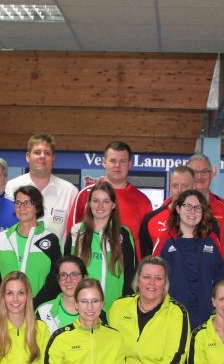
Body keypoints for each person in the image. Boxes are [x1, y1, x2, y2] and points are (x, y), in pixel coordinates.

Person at [154, 189, 224, 327]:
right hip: (171, 317)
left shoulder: (211, 240)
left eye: (197, 208)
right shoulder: (165, 240)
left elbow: (222, 276)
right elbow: (152, 276)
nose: (192, 211)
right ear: (178, 209)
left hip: (205, 315)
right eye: (187, 206)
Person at [66, 181, 137, 310]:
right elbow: (66, 273)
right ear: (89, 204)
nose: (100, 206)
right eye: (95, 201)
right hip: (82, 309)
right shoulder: (76, 232)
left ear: (113, 205)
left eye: (106, 201)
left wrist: (124, 308)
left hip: (113, 309)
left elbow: (131, 275)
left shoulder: (123, 234)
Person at [65, 141, 153, 245]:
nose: (117, 165)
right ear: (104, 162)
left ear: (130, 164)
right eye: (112, 161)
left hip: (128, 256)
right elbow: (71, 235)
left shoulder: (143, 201)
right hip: (88, 255)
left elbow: (147, 243)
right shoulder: (86, 194)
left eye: (122, 161)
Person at [0, 185, 62, 308]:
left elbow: (55, 280)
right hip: (6, 309)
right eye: (18, 203)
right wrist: (3, 303)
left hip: (38, 311)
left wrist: (34, 305)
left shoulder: (50, 240)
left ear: (37, 207)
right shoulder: (3, 238)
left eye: (27, 203)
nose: (22, 207)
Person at [4, 134, 77, 241]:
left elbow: (75, 233)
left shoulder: (70, 192)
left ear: (53, 158)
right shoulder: (10, 187)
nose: (42, 156)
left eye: (47, 153)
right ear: (27, 157)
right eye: (37, 152)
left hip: (56, 252)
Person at [37, 256, 85, 332]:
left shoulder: (96, 312)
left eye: (74, 274)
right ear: (58, 279)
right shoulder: (43, 311)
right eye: (63, 275)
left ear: (84, 277)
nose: (68, 280)